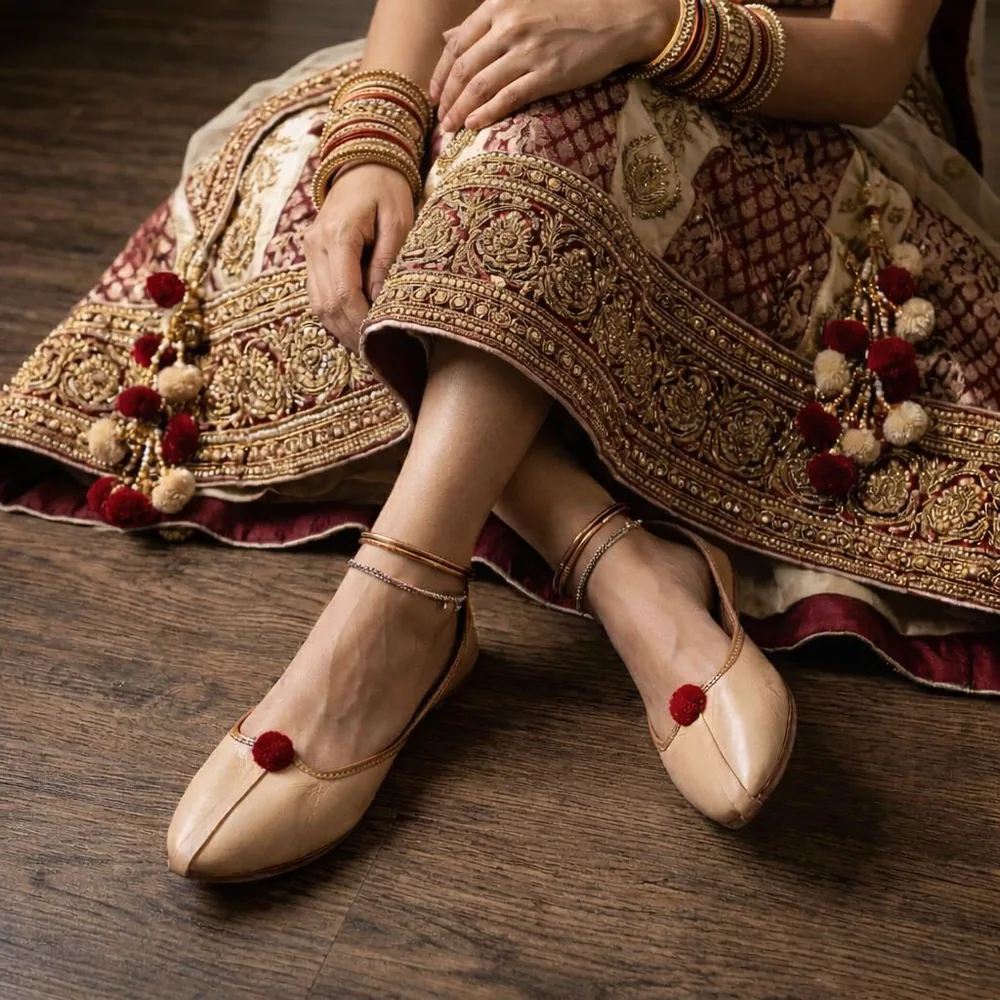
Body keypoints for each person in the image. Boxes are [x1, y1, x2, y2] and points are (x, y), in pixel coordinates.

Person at [1, 0, 997, 881]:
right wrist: (380, 143)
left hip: (789, 115)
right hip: (505, 70)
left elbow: (868, 57)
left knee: (551, 142)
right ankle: (617, 562)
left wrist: (648, 25)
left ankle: (391, 617)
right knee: (345, 193)